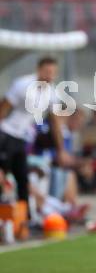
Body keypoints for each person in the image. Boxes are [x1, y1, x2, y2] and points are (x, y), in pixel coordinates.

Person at [0, 57, 72, 205]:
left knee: (22, 177)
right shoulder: (22, 85)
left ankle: (24, 219)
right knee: (3, 175)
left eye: (52, 73)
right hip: (6, 134)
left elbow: (56, 124)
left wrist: (61, 150)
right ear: (39, 70)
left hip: (21, 138)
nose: (49, 76)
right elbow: (3, 109)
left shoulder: (52, 93)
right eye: (46, 72)